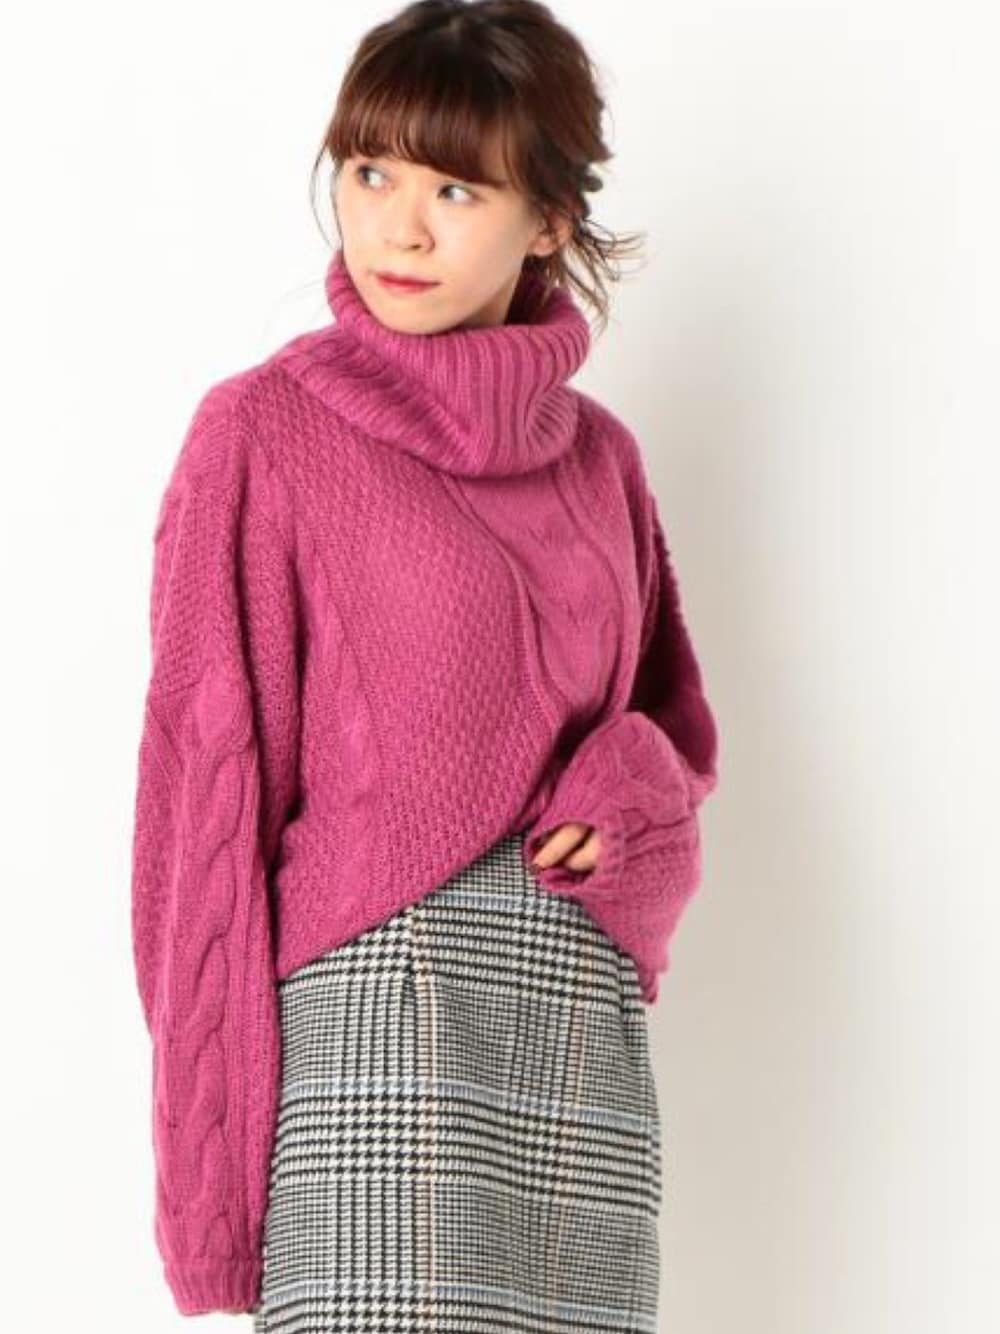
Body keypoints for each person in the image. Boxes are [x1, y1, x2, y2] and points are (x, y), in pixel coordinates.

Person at [129, 1, 720, 1329]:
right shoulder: (264, 434)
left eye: (455, 188)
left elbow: (672, 737)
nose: (398, 226)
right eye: (370, 171)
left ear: (548, 219)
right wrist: (209, 1192)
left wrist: (631, 794)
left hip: (575, 1037)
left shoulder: (602, 460)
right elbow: (201, 812)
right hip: (374, 1037)